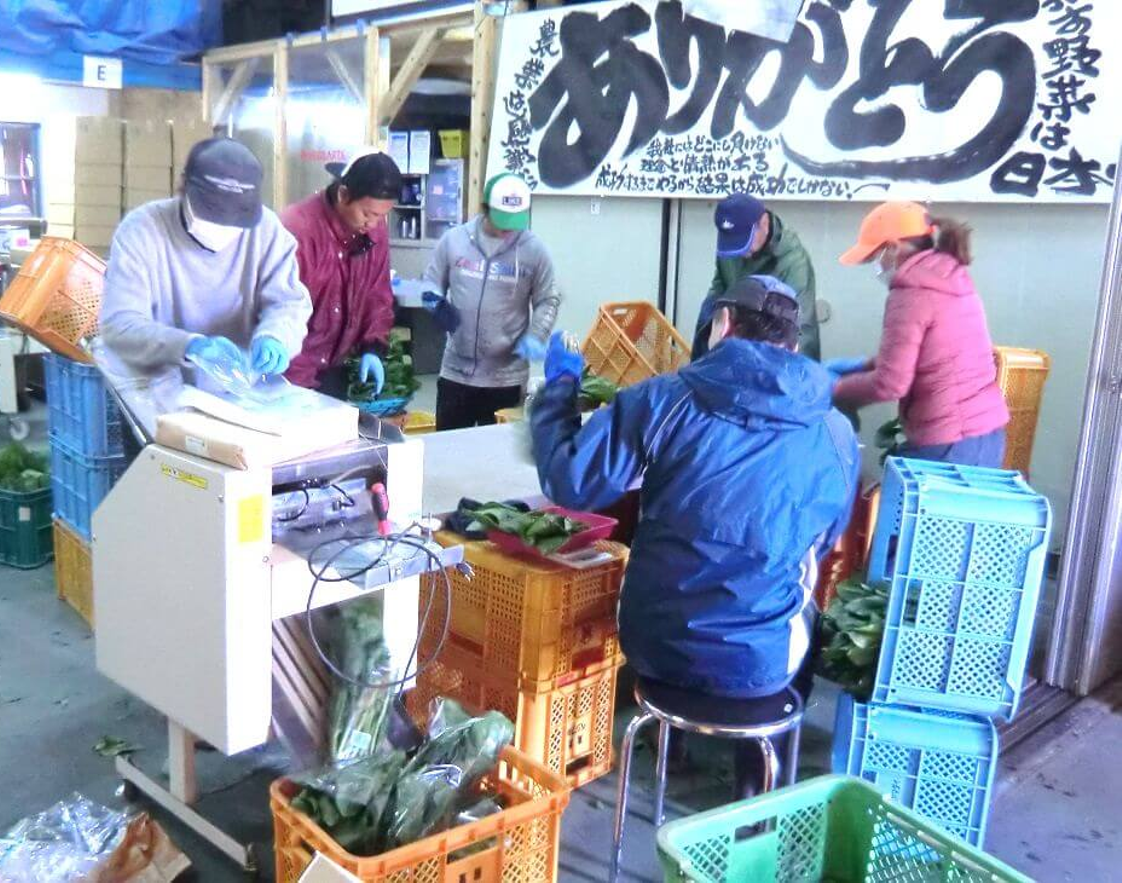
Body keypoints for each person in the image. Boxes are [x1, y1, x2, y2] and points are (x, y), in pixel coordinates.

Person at [530, 274, 858, 796]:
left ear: (722, 324)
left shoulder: (662, 399)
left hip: (655, 645)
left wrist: (559, 393)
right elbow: (825, 536)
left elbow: (570, 483)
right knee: (798, 603)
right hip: (762, 660)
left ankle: (671, 743)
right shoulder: (836, 431)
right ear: (794, 346)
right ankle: (757, 783)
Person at [96, 137, 312, 428]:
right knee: (166, 455)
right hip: (156, 391)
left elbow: (288, 303)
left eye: (235, 221)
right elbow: (120, 324)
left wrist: (276, 335)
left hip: (237, 390)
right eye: (213, 215)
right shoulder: (142, 230)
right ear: (184, 188)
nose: (223, 228)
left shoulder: (267, 232)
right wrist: (189, 345)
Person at [829, 202, 1009, 468]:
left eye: (874, 257)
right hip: (987, 437)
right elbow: (933, 354)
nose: (876, 267)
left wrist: (833, 389)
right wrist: (866, 366)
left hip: (948, 442)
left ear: (893, 247)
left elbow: (890, 384)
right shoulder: (948, 275)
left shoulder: (911, 291)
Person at [423, 172, 562, 431]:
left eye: (515, 220)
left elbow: (548, 299)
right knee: (450, 449)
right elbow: (430, 284)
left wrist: (536, 334)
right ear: (485, 209)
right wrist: (437, 306)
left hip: (506, 378)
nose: (509, 229)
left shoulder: (534, 251)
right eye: (502, 219)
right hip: (456, 373)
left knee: (500, 452)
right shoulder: (454, 241)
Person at [280, 151, 401, 398]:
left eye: (382, 216)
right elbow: (281, 310)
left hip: (334, 367)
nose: (374, 224)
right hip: (288, 369)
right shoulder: (297, 229)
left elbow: (377, 293)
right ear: (343, 195)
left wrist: (373, 345)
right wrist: (295, 387)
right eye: (368, 213)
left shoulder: (373, 231)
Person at [693, 193, 820, 361]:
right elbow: (719, 285)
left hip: (770, 342)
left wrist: (795, 373)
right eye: (732, 242)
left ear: (764, 223)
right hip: (737, 323)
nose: (741, 252)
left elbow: (803, 328)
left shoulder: (793, 261)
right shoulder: (731, 246)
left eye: (744, 240)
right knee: (709, 311)